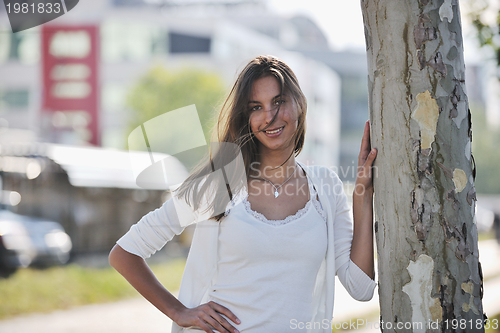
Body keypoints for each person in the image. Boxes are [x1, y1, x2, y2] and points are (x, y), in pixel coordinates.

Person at [109, 55, 378, 333]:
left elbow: (360, 288)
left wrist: (363, 197)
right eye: (256, 107)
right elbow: (124, 253)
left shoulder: (326, 186)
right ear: (246, 117)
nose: (270, 116)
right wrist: (179, 311)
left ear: (299, 103)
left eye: (278, 101)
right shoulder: (220, 183)